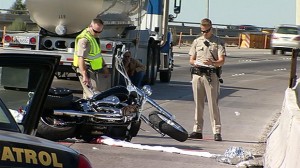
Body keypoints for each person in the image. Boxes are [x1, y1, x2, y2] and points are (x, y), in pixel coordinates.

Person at [188, 18, 226, 141]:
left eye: (207, 30)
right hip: (198, 74)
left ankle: (217, 131)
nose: (204, 33)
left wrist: (213, 62)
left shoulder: (218, 42)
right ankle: (197, 130)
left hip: (211, 75)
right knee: (198, 104)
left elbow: (222, 61)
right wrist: (196, 63)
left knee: (213, 104)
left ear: (211, 28)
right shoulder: (197, 41)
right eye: (202, 31)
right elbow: (191, 59)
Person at [73, 18, 110, 98]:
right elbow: (81, 58)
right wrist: (84, 75)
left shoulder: (93, 37)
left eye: (100, 31)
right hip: (86, 69)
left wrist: (104, 66)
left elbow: (97, 55)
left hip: (93, 69)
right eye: (96, 31)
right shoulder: (84, 40)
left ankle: (85, 109)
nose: (97, 33)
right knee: (93, 94)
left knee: (88, 95)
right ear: (90, 26)